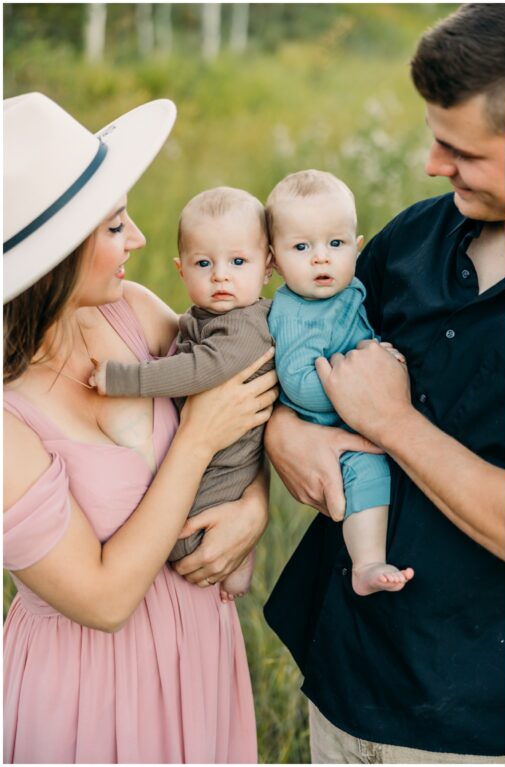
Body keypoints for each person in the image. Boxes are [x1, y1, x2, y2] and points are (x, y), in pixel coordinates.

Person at [262, 4, 505, 762]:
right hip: (343, 663)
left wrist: (393, 423)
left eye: (459, 149)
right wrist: (283, 433)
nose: (434, 164)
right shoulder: (408, 240)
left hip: (463, 713)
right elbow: (287, 359)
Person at [3, 93, 276, 761]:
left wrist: (254, 502)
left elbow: (247, 387)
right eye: (115, 226)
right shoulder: (8, 418)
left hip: (199, 648)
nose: (140, 241)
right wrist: (195, 441)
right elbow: (102, 599)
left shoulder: (133, 311)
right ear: (57, 255)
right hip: (88, 688)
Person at [91, 186, 274, 601]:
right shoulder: (206, 316)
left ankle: (239, 563)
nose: (220, 275)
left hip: (227, 463)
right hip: (216, 454)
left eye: (238, 262)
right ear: (181, 270)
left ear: (268, 267)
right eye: (204, 263)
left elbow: (197, 370)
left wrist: (123, 379)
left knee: (182, 541)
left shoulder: (246, 327)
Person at [266, 169, 413, 596]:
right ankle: (367, 564)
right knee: (366, 470)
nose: (321, 258)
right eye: (301, 247)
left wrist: (381, 355)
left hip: (361, 409)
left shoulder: (350, 291)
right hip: (331, 424)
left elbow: (364, 335)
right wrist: (353, 380)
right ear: (273, 260)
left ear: (357, 247)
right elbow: (297, 383)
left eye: (336, 244)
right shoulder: (294, 312)